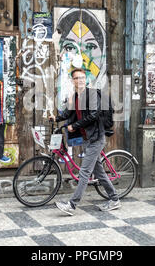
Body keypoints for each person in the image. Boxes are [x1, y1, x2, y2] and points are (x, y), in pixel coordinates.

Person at [49, 68, 120, 216]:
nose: (79, 80)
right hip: (87, 139)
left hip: (96, 137)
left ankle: (72, 205)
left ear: (86, 79)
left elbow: (94, 115)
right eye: (76, 78)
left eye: (82, 78)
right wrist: (55, 118)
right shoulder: (75, 96)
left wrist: (74, 126)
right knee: (99, 173)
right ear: (72, 80)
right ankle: (114, 199)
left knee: (84, 172)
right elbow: (69, 113)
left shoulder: (92, 94)